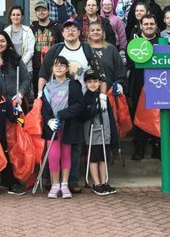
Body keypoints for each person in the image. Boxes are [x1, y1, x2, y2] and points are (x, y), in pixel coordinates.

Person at [38, 18, 102, 194]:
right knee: (53, 146)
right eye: (67, 29)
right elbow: (43, 73)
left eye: (74, 29)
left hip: (79, 101)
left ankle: (71, 181)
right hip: (55, 101)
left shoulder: (86, 50)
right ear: (63, 33)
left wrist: (101, 95)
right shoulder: (56, 50)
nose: (70, 32)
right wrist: (40, 95)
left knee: (74, 144)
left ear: (79, 32)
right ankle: (51, 180)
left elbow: (99, 73)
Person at [41, 56, 85, 199]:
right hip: (52, 128)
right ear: (52, 69)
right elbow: (44, 108)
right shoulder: (47, 87)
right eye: (56, 65)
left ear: (67, 69)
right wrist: (49, 121)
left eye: (62, 65)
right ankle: (55, 184)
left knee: (66, 154)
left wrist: (63, 114)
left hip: (68, 126)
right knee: (53, 155)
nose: (59, 68)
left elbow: (80, 104)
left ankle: (64, 184)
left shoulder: (74, 85)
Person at [128, 14, 161, 160]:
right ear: (141, 26)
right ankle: (139, 146)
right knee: (139, 115)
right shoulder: (134, 43)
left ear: (156, 26)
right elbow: (130, 62)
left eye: (151, 24)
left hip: (158, 84)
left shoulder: (162, 42)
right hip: (138, 84)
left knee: (157, 116)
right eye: (146, 24)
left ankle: (157, 145)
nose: (149, 26)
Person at [81, 69, 118, 196]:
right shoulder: (85, 98)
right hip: (92, 134)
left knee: (103, 158)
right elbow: (83, 115)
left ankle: (104, 182)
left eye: (95, 81)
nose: (92, 84)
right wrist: (94, 108)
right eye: (89, 81)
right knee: (93, 159)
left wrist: (113, 134)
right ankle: (96, 183)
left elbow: (111, 118)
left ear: (100, 82)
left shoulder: (104, 98)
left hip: (105, 133)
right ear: (86, 83)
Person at [87, 22, 126, 97]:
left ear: (103, 33)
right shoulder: (85, 49)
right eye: (92, 30)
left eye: (98, 30)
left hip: (110, 93)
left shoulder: (111, 49)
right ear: (88, 34)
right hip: (89, 94)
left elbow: (120, 70)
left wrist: (119, 84)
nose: (95, 32)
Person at [30, 0, 61, 80]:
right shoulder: (32, 28)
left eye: (44, 10)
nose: (41, 12)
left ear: (48, 11)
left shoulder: (57, 27)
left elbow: (61, 46)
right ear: (35, 12)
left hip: (53, 67)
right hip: (36, 68)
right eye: (38, 10)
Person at [4, 5, 36, 74]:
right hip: (10, 67)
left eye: (18, 15)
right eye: (13, 15)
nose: (15, 17)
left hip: (26, 68)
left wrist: (21, 63)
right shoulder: (6, 31)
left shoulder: (28, 30)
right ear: (10, 16)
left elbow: (31, 50)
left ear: (22, 17)